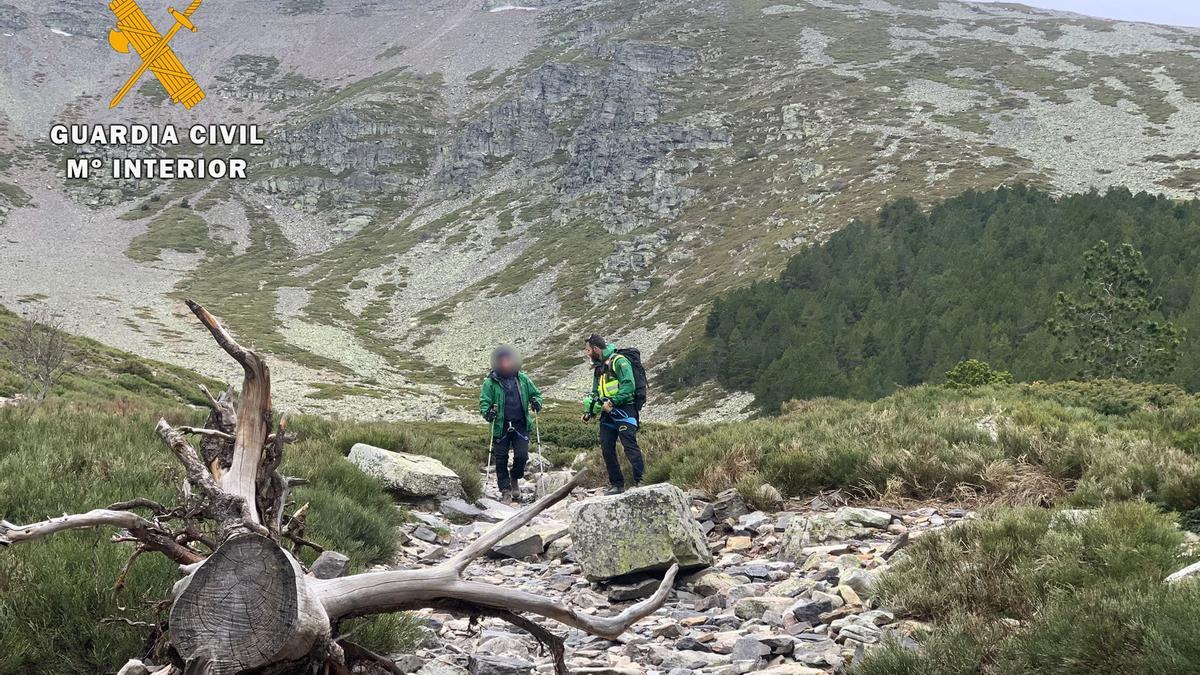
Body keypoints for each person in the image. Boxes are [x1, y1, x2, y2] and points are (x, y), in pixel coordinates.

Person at [479, 345, 543, 503]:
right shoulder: (490, 382)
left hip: (520, 424)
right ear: (498, 363)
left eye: (508, 360)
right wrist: (488, 413)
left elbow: (536, 394)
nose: (506, 363)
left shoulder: (522, 378)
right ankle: (505, 490)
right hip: (501, 426)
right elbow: (484, 403)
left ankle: (515, 478)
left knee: (522, 456)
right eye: (503, 361)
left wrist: (536, 402)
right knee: (501, 459)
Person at [582, 334, 643, 494]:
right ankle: (617, 484)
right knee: (606, 447)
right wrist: (589, 412)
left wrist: (612, 402)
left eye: (588, 350)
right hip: (607, 414)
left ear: (596, 349)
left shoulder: (619, 361)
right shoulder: (599, 367)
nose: (587, 353)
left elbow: (629, 385)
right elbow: (596, 392)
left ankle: (641, 481)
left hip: (625, 410)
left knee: (629, 445)